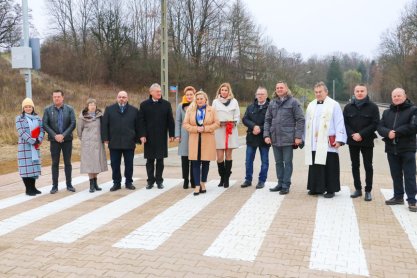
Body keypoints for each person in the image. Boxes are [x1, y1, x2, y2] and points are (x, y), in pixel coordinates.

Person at [304, 81, 347, 198]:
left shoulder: (334, 104)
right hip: (314, 141)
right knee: (315, 165)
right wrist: (305, 139)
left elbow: (339, 122)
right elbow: (306, 123)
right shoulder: (311, 105)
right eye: (316, 92)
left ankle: (330, 189)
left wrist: (339, 139)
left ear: (326, 92)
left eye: (320, 92)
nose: (318, 94)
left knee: (329, 165)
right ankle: (315, 188)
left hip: (328, 142)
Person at [377, 88, 417, 212]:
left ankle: (412, 200)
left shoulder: (413, 110)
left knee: (409, 175)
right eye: (394, 96)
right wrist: (388, 132)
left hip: (407, 148)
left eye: (399, 95)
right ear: (392, 97)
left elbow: (413, 127)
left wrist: (396, 133)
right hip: (391, 148)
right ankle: (398, 196)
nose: (396, 98)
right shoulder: (387, 112)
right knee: (396, 175)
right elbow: (379, 127)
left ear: (405, 96)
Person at [264, 82, 305, 194]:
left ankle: (286, 185)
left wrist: (298, 136)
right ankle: (280, 182)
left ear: (286, 89)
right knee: (278, 162)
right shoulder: (272, 103)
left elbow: (300, 119)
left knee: (287, 162)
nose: (279, 89)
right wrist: (266, 135)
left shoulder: (293, 102)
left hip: (288, 138)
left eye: (281, 87)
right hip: (275, 137)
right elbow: (267, 120)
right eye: (277, 88)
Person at [343, 84, 380, 201]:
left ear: (366, 92)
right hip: (352, 140)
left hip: (367, 140)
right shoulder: (348, 107)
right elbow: (344, 123)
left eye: (362, 91)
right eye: (357, 91)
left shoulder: (373, 107)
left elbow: (375, 124)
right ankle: (358, 189)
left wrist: (361, 134)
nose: (359, 93)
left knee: (368, 166)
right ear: (354, 93)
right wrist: (353, 134)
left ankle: (368, 190)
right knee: (355, 165)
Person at [139, 83, 175, 189]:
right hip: (148, 137)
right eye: (157, 91)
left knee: (160, 160)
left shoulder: (166, 104)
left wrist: (171, 134)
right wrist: (142, 135)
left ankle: (159, 181)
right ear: (151, 93)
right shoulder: (144, 105)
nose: (159, 93)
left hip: (161, 136)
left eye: (160, 91)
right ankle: (150, 181)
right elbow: (141, 122)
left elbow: (170, 121)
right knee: (150, 160)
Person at [183, 91, 220, 195]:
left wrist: (205, 128)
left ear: (206, 99)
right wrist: (195, 129)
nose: (199, 100)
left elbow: (217, 123)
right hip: (194, 139)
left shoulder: (211, 110)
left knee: (205, 162)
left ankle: (203, 182)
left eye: (201, 99)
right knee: (195, 162)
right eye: (198, 99)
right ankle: (197, 185)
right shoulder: (190, 110)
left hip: (207, 139)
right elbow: (185, 124)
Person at [102, 91, 139, 191]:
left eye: (123, 97)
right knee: (115, 164)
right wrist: (105, 138)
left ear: (127, 98)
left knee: (129, 164)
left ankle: (129, 182)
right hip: (114, 142)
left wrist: (137, 138)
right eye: (119, 97)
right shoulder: (109, 109)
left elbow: (138, 126)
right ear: (117, 98)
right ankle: (116, 183)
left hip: (129, 142)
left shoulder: (134, 110)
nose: (121, 99)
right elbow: (105, 124)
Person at [43, 90, 76, 194]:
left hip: (67, 140)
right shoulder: (48, 110)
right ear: (52, 98)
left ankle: (69, 185)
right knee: (55, 163)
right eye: (54, 97)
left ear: (63, 97)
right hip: (54, 141)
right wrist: (55, 135)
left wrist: (63, 135)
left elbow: (73, 123)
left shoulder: (70, 109)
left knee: (67, 163)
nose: (56, 98)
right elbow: (45, 124)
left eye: (58, 96)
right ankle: (54, 186)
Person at [241, 87, 271, 189]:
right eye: (258, 94)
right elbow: (245, 119)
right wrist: (253, 126)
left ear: (266, 95)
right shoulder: (250, 107)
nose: (260, 96)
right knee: (248, 160)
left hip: (264, 138)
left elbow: (272, 122)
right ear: (256, 95)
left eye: (262, 94)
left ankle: (261, 181)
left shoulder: (271, 107)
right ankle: (248, 180)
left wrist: (260, 129)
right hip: (251, 137)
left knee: (265, 161)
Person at [212, 82, 240, 188]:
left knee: (228, 155)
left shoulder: (234, 101)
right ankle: (222, 176)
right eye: (222, 90)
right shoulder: (215, 102)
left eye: (226, 90)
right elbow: (213, 115)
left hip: (230, 130)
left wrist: (234, 122)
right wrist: (218, 123)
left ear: (229, 91)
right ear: (220, 91)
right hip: (219, 131)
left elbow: (237, 116)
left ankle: (227, 178)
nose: (224, 92)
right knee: (219, 157)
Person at [78, 98, 108, 193]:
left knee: (97, 164)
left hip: (98, 143)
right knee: (90, 164)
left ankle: (95, 182)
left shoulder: (100, 116)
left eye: (94, 104)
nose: (92, 106)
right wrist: (85, 140)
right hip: (88, 144)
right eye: (90, 104)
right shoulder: (83, 117)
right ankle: (91, 184)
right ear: (87, 106)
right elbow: (79, 131)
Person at [16, 98, 45, 196]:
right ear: (23, 108)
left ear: (33, 107)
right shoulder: (19, 118)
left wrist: (39, 139)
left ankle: (33, 187)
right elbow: (22, 132)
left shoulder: (38, 118)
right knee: (26, 168)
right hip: (25, 147)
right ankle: (28, 189)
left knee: (33, 167)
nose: (28, 108)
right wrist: (32, 140)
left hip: (35, 146)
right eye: (26, 107)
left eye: (30, 106)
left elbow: (42, 130)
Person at [175, 86, 196, 189]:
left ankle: (193, 179)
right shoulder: (180, 106)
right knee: (184, 159)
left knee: (194, 158)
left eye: (191, 94)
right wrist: (177, 135)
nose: (189, 96)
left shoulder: (198, 105)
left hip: (195, 134)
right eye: (187, 95)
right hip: (184, 135)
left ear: (194, 95)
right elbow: (178, 121)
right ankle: (185, 179)